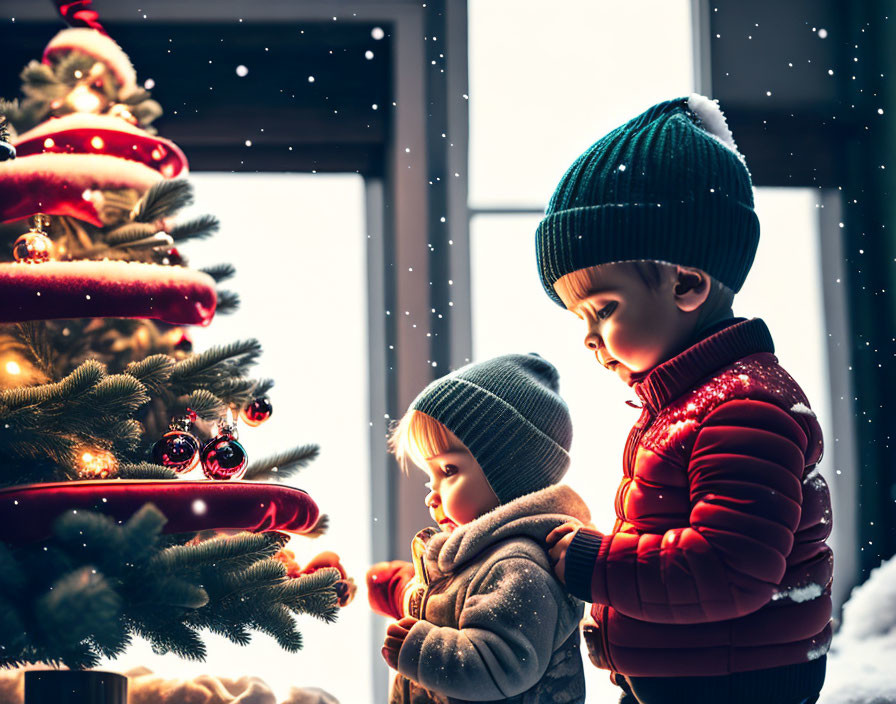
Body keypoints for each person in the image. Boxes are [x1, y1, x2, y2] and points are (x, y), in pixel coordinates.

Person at [538, 95, 833, 704]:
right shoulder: (686, 404)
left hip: (733, 687)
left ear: (687, 284)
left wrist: (599, 566)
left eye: (603, 309)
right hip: (693, 677)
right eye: (579, 318)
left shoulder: (743, 410)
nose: (590, 338)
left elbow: (728, 570)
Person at [366, 353, 589, 703]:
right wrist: (396, 587)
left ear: (508, 474)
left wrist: (422, 649)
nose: (431, 496)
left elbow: (502, 664)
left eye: (449, 471)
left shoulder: (518, 564)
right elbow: (446, 606)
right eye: (430, 477)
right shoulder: (475, 558)